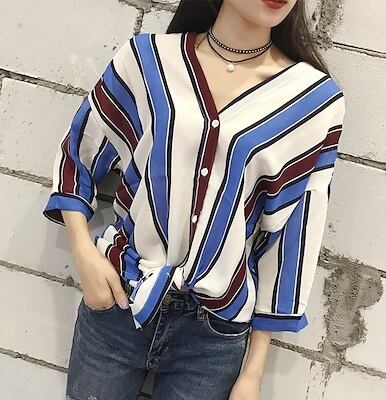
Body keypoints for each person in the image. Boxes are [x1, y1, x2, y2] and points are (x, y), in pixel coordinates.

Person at [42, 0, 346, 399]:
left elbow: (294, 238)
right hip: (118, 302)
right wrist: (83, 251)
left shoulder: (314, 103)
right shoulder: (148, 60)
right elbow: (79, 152)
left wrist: (253, 373)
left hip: (212, 338)